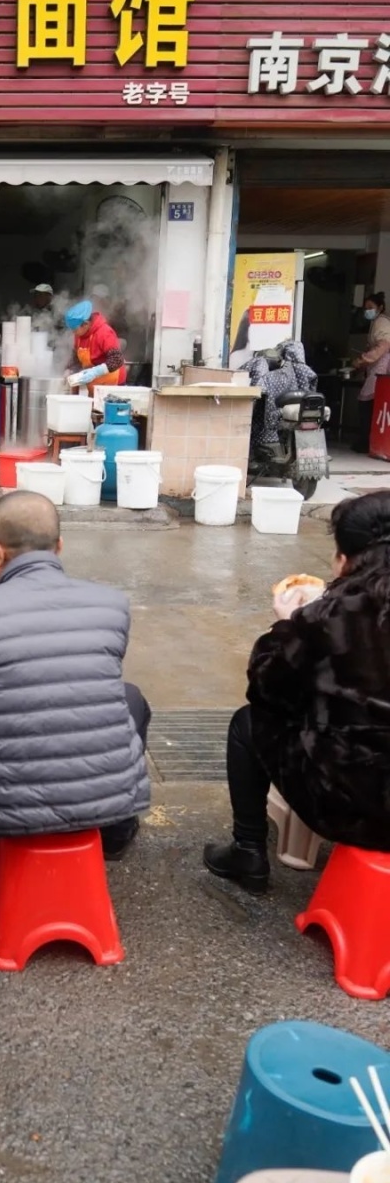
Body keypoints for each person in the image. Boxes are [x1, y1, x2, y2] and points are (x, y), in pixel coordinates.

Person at [0, 492, 151, 857]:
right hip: (102, 797)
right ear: (59, 547)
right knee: (129, 696)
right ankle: (115, 833)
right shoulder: (112, 605)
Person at [204, 490, 390, 896]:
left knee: (247, 723)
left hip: (358, 807)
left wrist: (287, 624)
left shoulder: (328, 617)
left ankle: (248, 849)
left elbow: (266, 689)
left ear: (345, 557)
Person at [354, 291, 390, 453]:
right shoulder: (376, 322)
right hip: (376, 366)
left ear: (380, 307)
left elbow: (383, 345)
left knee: (366, 403)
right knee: (369, 404)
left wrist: (364, 360)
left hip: (381, 367)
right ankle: (366, 441)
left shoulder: (381, 322)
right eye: (365, 308)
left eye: (370, 307)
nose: (367, 311)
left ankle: (365, 442)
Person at [65, 299, 127, 392]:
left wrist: (95, 372)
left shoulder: (104, 332)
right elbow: (76, 359)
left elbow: (117, 359)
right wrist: (70, 370)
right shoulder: (79, 335)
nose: (73, 333)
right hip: (95, 384)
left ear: (85, 324)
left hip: (113, 384)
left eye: (74, 330)